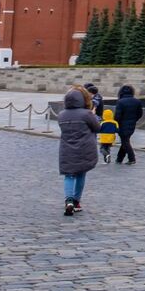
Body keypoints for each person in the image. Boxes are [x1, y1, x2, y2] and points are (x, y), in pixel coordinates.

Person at [57, 86, 100, 216]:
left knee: (69, 175)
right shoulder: (86, 114)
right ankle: (76, 201)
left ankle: (68, 200)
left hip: (67, 148)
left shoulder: (62, 115)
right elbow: (97, 127)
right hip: (84, 148)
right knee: (81, 174)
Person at [114, 85, 142, 165]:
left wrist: (116, 124)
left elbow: (117, 116)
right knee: (125, 141)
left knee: (125, 142)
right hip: (132, 124)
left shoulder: (120, 102)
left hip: (122, 124)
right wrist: (133, 120)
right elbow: (140, 114)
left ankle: (132, 158)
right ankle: (119, 158)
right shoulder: (137, 101)